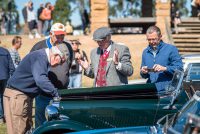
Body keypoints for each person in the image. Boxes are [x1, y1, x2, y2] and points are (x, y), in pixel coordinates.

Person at [3, 45, 66, 134]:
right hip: (18, 96)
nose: (57, 65)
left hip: (18, 95)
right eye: (59, 62)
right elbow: (40, 79)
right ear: (55, 55)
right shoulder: (41, 57)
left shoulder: (40, 56)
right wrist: (56, 93)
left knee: (24, 129)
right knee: (20, 129)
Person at [30, 22, 73, 128]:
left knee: (60, 124)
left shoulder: (67, 46)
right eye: (58, 36)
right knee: (41, 124)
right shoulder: (39, 46)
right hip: (43, 94)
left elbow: (69, 64)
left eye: (62, 35)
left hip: (62, 94)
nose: (60, 39)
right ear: (50, 34)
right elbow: (30, 66)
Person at [140, 26, 183, 92]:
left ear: (160, 37)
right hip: (151, 91)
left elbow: (179, 69)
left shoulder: (171, 49)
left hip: (168, 91)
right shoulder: (145, 52)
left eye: (154, 39)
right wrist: (143, 72)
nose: (151, 42)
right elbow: (144, 75)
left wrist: (164, 68)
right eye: (149, 39)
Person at [0, 43, 15, 124]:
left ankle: (1, 117)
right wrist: (12, 77)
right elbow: (11, 66)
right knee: (5, 97)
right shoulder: (5, 51)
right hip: (5, 77)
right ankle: (6, 116)